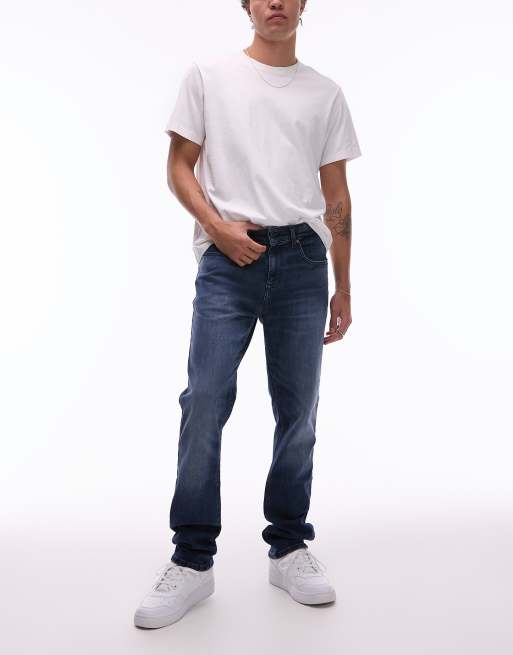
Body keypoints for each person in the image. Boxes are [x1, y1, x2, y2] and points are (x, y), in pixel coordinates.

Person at [134, 0, 361, 629]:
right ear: (247, 4)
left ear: (303, 4)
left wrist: (343, 285)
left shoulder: (325, 93)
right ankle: (192, 559)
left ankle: (288, 546)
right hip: (228, 259)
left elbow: (337, 195)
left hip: (302, 262)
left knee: (299, 408)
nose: (276, 3)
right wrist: (216, 228)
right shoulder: (208, 76)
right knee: (204, 398)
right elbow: (179, 165)